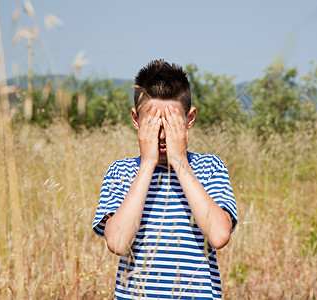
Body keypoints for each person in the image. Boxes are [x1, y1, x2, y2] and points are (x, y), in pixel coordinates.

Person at [92, 59, 238, 299]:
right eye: (152, 123)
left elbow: (219, 235)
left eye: (169, 123)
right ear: (136, 119)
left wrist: (180, 161)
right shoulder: (121, 172)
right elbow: (118, 243)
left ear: (189, 119)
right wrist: (147, 163)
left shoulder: (209, 168)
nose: (161, 135)